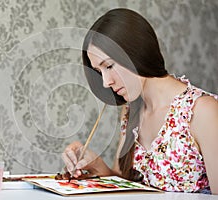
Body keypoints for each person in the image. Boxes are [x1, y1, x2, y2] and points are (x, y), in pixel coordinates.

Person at [62, 8, 218, 194]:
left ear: (137, 52)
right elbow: (125, 186)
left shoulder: (203, 111)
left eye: (109, 66)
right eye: (99, 71)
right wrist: (96, 165)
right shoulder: (130, 112)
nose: (106, 82)